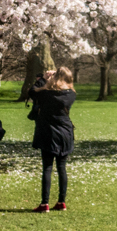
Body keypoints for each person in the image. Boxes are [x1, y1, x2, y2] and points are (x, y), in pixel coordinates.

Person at [29, 67, 76, 212]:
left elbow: (31, 92)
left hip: (48, 132)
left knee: (47, 167)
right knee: (62, 167)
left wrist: (43, 79)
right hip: (65, 132)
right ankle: (62, 201)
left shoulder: (46, 94)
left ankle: (44, 204)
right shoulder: (71, 94)